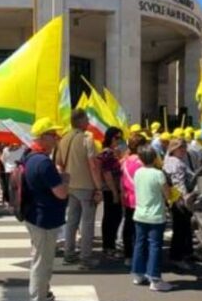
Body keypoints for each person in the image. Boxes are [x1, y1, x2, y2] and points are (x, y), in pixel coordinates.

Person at [22, 118, 69, 301]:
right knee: (42, 263)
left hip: (35, 215)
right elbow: (61, 193)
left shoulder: (30, 157)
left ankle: (43, 293)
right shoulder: (43, 162)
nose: (57, 139)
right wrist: (64, 180)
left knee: (41, 258)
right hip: (44, 218)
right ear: (42, 137)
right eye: (53, 135)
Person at [56, 109, 104, 269]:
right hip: (86, 185)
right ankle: (85, 258)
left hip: (70, 185)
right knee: (87, 223)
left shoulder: (64, 139)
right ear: (81, 121)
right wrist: (98, 187)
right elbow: (93, 165)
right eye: (86, 120)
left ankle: (69, 254)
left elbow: (59, 164)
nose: (88, 123)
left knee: (72, 221)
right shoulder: (87, 139)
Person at [130, 145, 172, 292]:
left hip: (140, 213)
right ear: (154, 158)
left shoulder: (138, 172)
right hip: (156, 215)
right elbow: (167, 194)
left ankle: (138, 274)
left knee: (139, 244)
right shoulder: (158, 174)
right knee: (154, 246)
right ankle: (155, 279)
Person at [163, 138, 196, 270]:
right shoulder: (176, 163)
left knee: (184, 228)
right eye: (180, 148)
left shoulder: (170, 160)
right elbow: (179, 183)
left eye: (185, 147)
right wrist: (186, 198)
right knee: (180, 229)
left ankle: (186, 252)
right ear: (173, 149)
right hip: (179, 200)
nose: (184, 150)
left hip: (176, 199)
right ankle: (176, 257)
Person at [98, 127, 124, 261]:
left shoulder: (113, 152)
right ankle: (108, 247)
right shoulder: (107, 153)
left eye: (120, 138)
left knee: (115, 217)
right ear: (110, 138)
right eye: (117, 138)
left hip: (114, 188)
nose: (118, 140)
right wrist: (114, 192)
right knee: (111, 217)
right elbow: (107, 174)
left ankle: (110, 245)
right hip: (110, 189)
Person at [120, 133, 145, 266]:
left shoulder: (125, 160)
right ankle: (139, 255)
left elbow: (121, 180)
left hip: (127, 196)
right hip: (141, 197)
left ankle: (128, 255)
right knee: (139, 229)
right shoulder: (142, 162)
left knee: (128, 226)